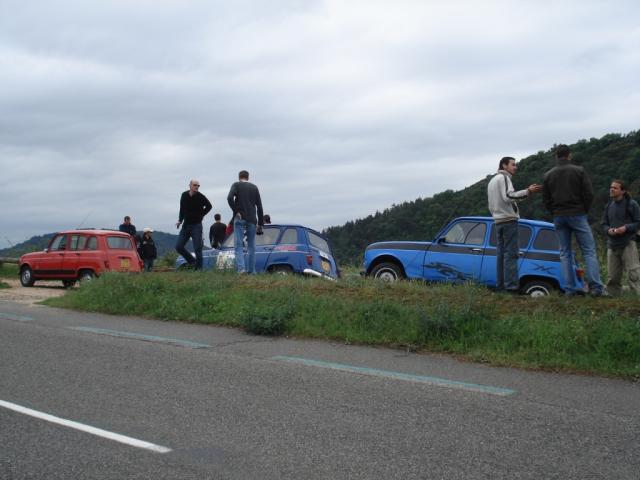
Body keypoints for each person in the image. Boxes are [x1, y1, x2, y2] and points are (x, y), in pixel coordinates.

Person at [543, 144, 606, 296]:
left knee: (565, 253)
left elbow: (546, 200)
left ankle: (569, 290)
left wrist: (554, 211)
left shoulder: (548, 175)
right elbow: (589, 194)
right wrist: (584, 210)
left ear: (556, 156)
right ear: (569, 156)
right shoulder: (579, 171)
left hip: (559, 216)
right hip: (578, 213)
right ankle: (596, 288)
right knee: (589, 251)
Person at [487, 156, 542, 293]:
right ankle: (511, 287)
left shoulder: (492, 181)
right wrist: (528, 191)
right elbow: (509, 196)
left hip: (498, 221)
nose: (515, 167)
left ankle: (501, 287)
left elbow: (496, 202)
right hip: (508, 220)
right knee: (511, 254)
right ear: (504, 166)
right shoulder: (504, 178)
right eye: (513, 164)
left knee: (501, 255)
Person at [601, 179, 640, 295]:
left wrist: (626, 228)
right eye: (611, 187)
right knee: (612, 277)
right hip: (612, 245)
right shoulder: (609, 206)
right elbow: (603, 224)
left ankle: (636, 298)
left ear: (623, 191)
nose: (611, 189)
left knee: (633, 273)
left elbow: (638, 222)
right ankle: (614, 297)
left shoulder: (632, 204)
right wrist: (609, 230)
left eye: (615, 188)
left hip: (628, 243)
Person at [227, 170, 264, 274]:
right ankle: (251, 271)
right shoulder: (254, 187)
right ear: (248, 177)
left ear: (239, 177)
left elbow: (229, 198)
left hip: (240, 218)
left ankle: (241, 269)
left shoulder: (236, 185)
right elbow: (259, 206)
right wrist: (260, 223)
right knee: (251, 246)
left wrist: (236, 211)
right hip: (252, 219)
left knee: (238, 244)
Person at [175, 179, 212, 270]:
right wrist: (180, 220)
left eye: (198, 186)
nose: (197, 187)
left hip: (196, 226)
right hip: (186, 225)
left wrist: (201, 215)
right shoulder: (184, 195)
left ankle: (198, 269)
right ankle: (192, 261)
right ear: (190, 185)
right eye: (195, 185)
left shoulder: (201, 197)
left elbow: (209, 206)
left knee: (197, 248)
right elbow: (182, 209)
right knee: (179, 246)